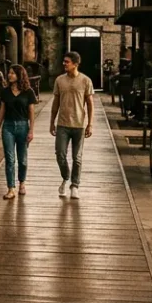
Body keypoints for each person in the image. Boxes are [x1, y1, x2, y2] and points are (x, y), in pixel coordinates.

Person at [49, 51, 94, 200]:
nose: (64, 64)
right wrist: (51, 122)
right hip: (62, 123)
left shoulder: (85, 81)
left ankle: (75, 185)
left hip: (79, 125)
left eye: (67, 62)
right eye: (64, 61)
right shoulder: (59, 80)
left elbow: (90, 104)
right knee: (60, 154)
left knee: (77, 157)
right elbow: (55, 102)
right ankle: (66, 176)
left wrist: (90, 124)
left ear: (75, 64)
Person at [0, 64, 37, 200]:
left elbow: (31, 112)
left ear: (19, 75)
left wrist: (31, 130)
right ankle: (11, 188)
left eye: (12, 73)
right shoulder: (5, 92)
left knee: (22, 159)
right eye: (9, 73)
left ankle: (22, 183)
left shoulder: (28, 92)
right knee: (9, 159)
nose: (9, 75)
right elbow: (2, 110)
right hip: (8, 126)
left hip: (23, 126)